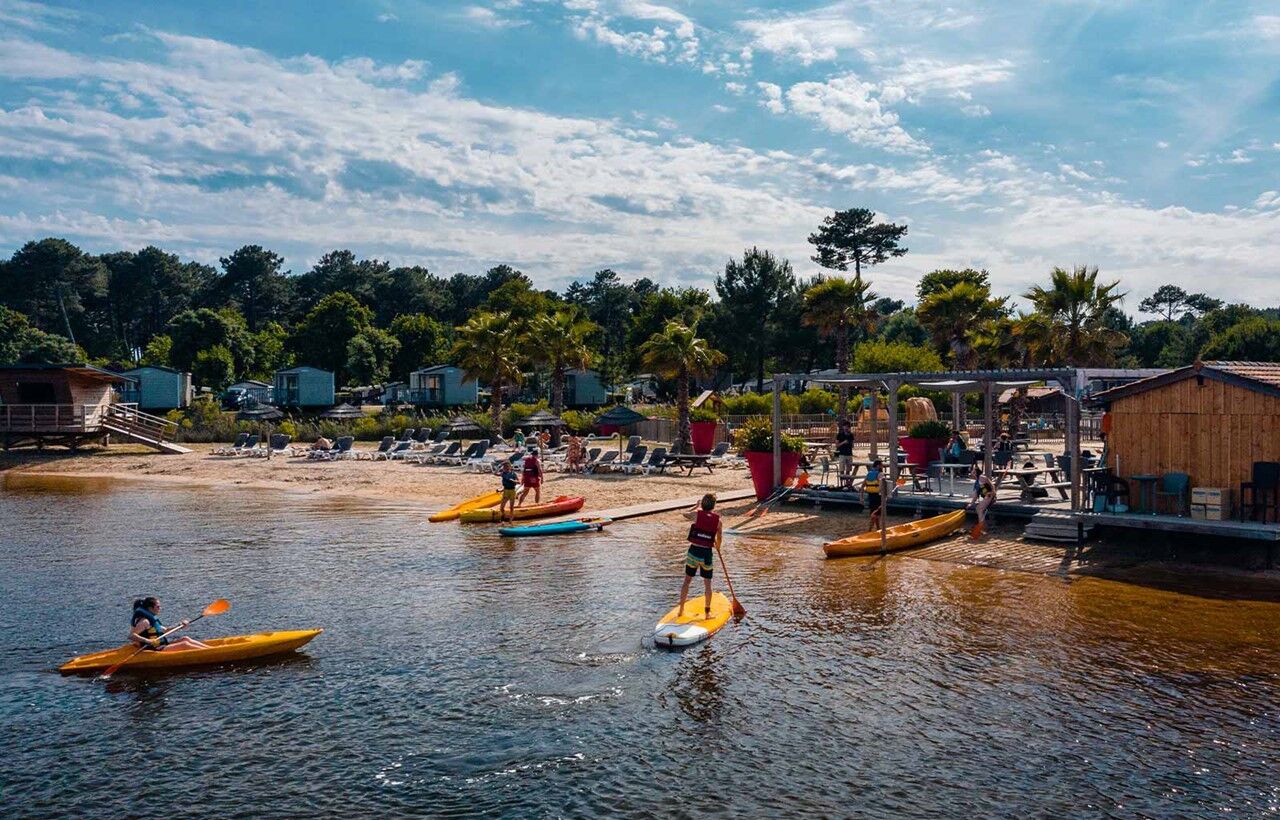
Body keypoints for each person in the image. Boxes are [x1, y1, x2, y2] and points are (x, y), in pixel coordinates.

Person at [678, 493, 722, 620]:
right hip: (706, 554)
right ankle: (707, 613)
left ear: (702, 504)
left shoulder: (697, 514)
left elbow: (684, 513)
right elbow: (719, 538)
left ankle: (681, 610)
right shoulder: (718, 521)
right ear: (714, 506)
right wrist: (718, 547)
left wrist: (695, 507)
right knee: (707, 584)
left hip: (693, 552)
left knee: (687, 581)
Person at [130, 597, 210, 652]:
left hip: (162, 645)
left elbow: (165, 630)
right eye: (158, 607)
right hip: (155, 649)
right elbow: (131, 636)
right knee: (184, 644)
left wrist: (180, 625)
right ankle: (210, 652)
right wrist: (147, 640)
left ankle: (211, 649)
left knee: (185, 639)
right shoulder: (145, 621)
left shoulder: (152, 620)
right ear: (150, 608)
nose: (160, 608)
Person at [966, 464, 996, 539]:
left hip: (989, 495)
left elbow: (991, 485)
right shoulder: (976, 482)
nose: (971, 474)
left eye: (972, 472)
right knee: (978, 509)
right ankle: (983, 526)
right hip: (985, 496)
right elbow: (976, 494)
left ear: (976, 473)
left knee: (979, 509)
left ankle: (981, 527)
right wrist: (971, 503)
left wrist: (992, 493)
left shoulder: (982, 478)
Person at [863, 458, 883, 531]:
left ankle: (878, 528)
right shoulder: (880, 474)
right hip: (877, 496)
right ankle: (869, 530)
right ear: (878, 466)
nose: (882, 467)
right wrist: (884, 494)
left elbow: (863, 485)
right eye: (881, 465)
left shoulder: (869, 473)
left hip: (870, 495)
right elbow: (881, 485)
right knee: (875, 514)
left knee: (875, 513)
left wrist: (861, 497)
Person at [834, 419, 854, 488]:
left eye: (847, 427)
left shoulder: (851, 435)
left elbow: (853, 445)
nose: (846, 428)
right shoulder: (839, 435)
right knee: (842, 470)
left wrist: (850, 443)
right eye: (845, 426)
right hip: (842, 454)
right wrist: (843, 442)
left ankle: (847, 484)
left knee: (848, 470)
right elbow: (837, 445)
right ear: (843, 427)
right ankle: (841, 484)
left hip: (849, 454)